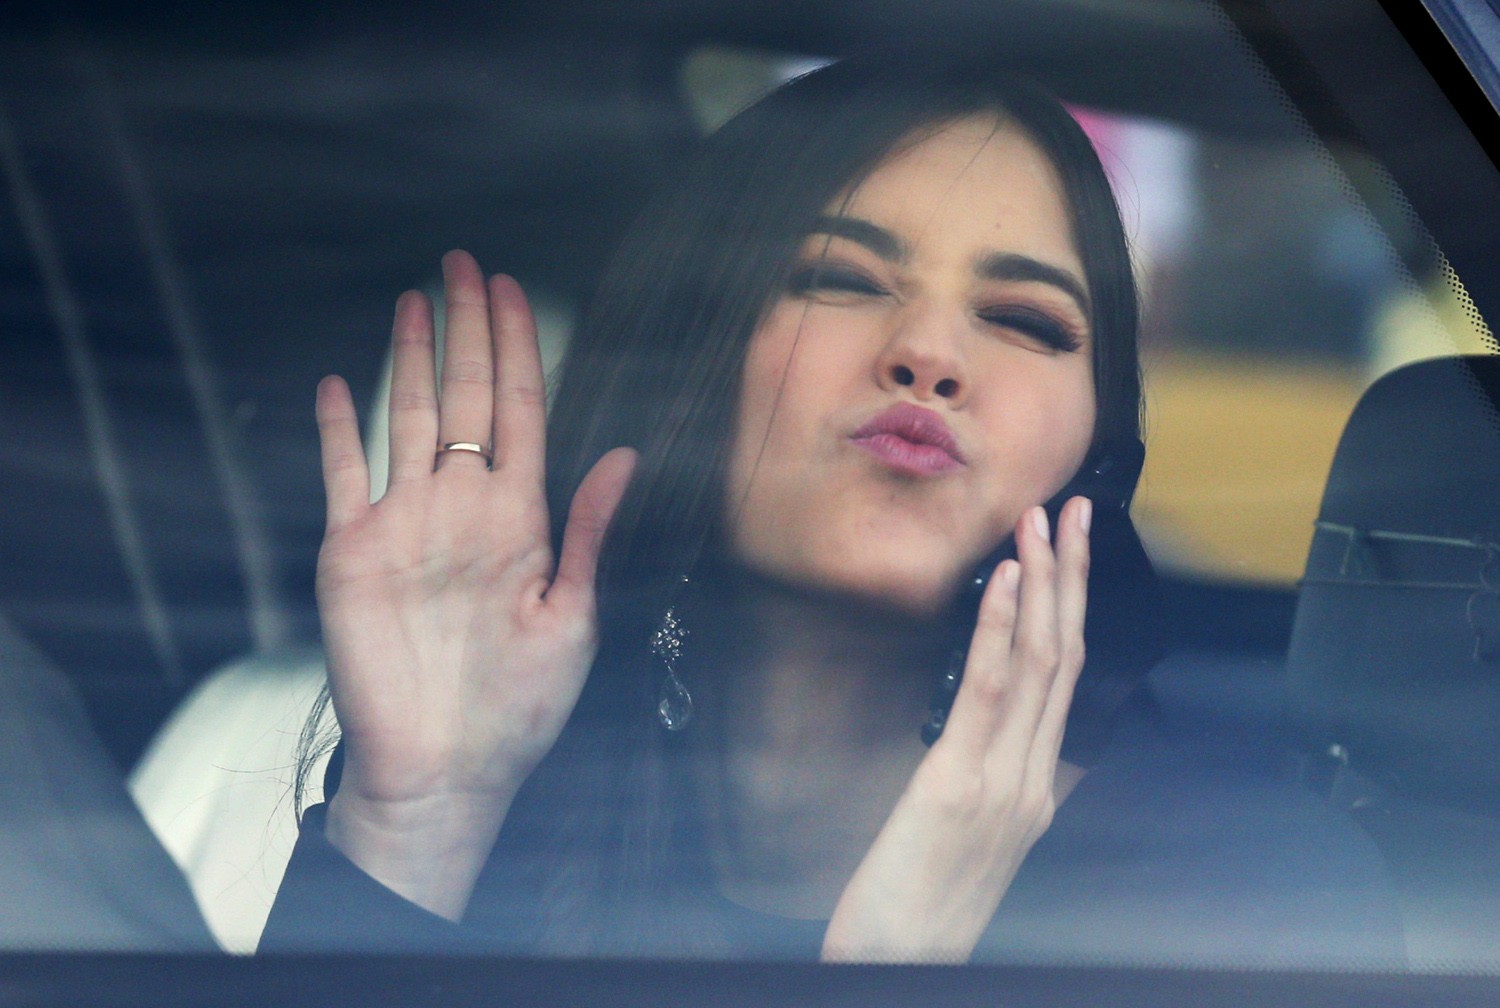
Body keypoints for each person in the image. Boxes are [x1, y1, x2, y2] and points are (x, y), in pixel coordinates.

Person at [260, 53, 1402, 965]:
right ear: (689, 355)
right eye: (842, 280)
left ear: (1096, 455)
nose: (930, 353)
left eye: (1025, 319)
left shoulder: (1258, 903)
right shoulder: (512, 807)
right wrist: (420, 818)